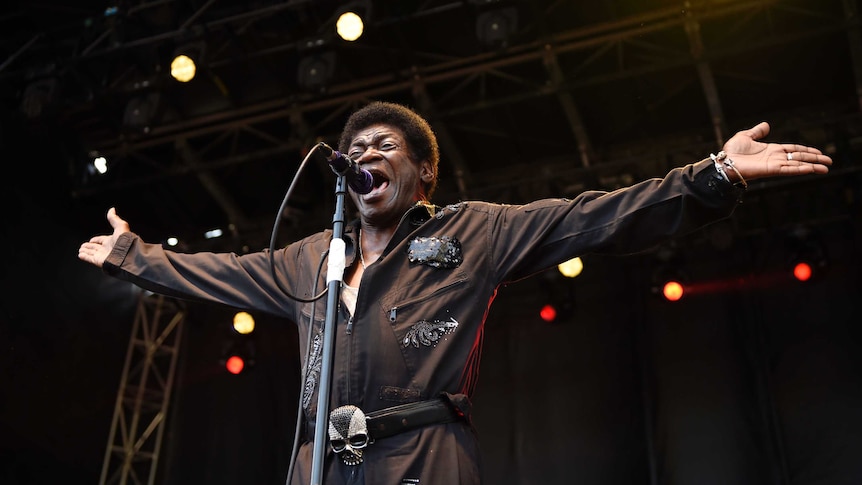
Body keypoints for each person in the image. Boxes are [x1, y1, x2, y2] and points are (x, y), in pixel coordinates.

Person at [78, 101, 832, 485]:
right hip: (318, 460)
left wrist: (714, 175)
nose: (368, 152)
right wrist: (132, 254)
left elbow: (594, 216)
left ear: (423, 176)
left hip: (421, 452)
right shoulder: (309, 257)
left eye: (387, 146)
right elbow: (217, 273)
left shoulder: (474, 232)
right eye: (359, 145)